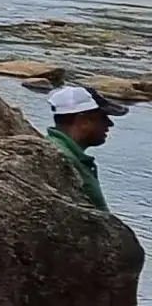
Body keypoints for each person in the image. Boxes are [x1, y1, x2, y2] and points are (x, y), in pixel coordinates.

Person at [42, 82, 115, 210]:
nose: (110, 124)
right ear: (83, 121)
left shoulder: (67, 154)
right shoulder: (63, 159)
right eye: (103, 118)